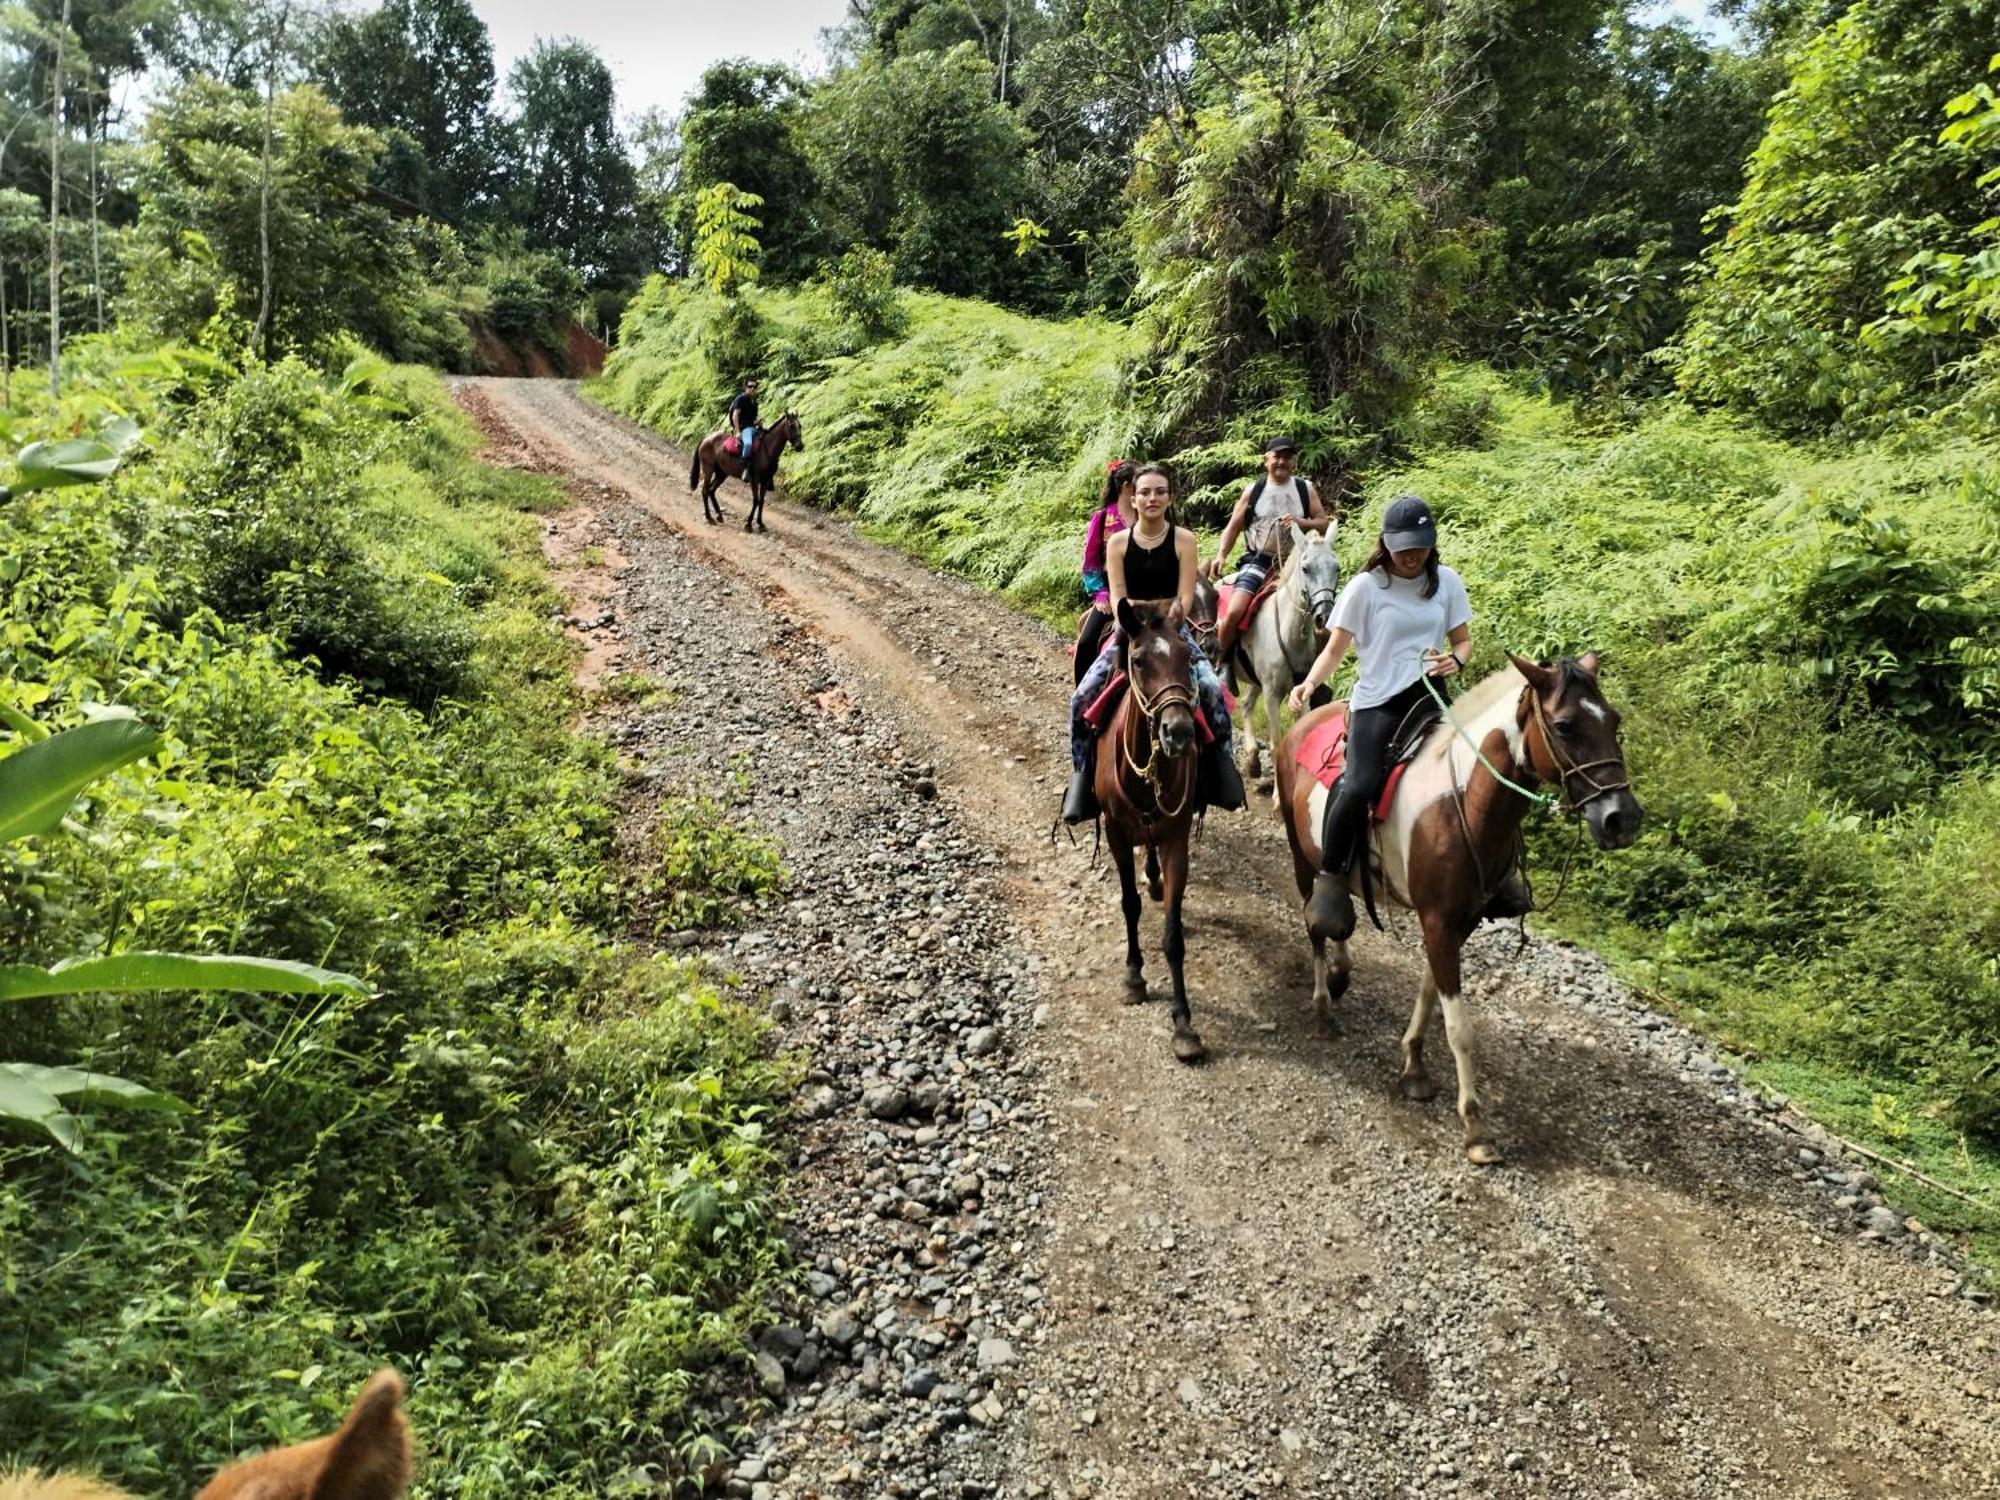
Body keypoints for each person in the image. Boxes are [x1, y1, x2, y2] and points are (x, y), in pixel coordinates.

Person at [1283, 494, 1531, 938]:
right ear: (1386, 544)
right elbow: (1337, 647)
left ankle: (1496, 875)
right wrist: (1307, 684)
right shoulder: (1365, 587)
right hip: (1377, 702)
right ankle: (1332, 876)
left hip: (1431, 697)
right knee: (1358, 783)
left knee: (1480, 774)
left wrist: (1456, 661)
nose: (1412, 555)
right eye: (1403, 547)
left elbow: (1462, 642)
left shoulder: (1447, 582)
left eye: (1419, 546)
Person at [1062, 465, 1245, 823]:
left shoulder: (1184, 540)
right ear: (1134, 497)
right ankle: (1082, 780)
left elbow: (1186, 596)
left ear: (1169, 497)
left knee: (1212, 690)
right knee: (1081, 699)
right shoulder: (1118, 542)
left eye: (1160, 491)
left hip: (1174, 629)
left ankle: (1222, 770)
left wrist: (1168, 617)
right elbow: (1117, 597)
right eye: (1145, 492)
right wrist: (1135, 619)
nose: (1152, 498)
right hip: (1130, 629)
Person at [1204, 436, 1333, 661]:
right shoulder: (1253, 491)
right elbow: (1234, 526)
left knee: (1324, 611)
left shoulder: (1305, 489)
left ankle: (1317, 675)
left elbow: (1324, 522)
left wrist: (1302, 522)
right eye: (1277, 457)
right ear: (1266, 460)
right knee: (1235, 610)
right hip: (1258, 560)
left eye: (1287, 457)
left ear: (1293, 462)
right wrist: (1221, 555)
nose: (1281, 462)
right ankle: (1220, 663)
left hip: (1297, 563)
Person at [1076, 460, 1137, 671]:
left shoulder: (1149, 518)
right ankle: (1083, 695)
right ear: (1127, 486)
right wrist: (1100, 593)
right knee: (1086, 643)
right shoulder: (1102, 518)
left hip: (1146, 592)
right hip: (1112, 593)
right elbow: (1091, 561)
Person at [727, 378, 760, 456]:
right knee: (748, 444)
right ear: (746, 387)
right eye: (750, 386)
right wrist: (738, 432)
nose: (752, 388)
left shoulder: (754, 403)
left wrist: (758, 422)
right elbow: (735, 415)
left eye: (754, 387)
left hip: (753, 428)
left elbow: (754, 418)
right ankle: (744, 464)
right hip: (743, 429)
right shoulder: (740, 399)